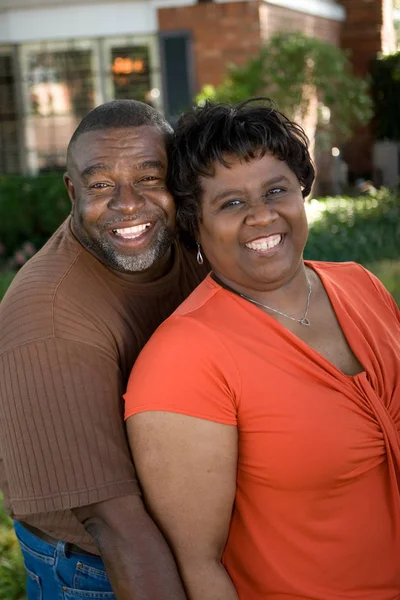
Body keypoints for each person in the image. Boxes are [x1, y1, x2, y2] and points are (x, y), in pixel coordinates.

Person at [124, 98, 400, 600]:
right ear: (195, 227)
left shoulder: (363, 287)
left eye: (277, 190)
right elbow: (198, 566)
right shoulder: (183, 360)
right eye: (231, 203)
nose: (262, 215)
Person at [0, 99, 209, 599]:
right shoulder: (48, 321)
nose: (128, 203)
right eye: (100, 185)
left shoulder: (186, 240)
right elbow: (114, 523)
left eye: (149, 178)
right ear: (72, 191)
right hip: (97, 570)